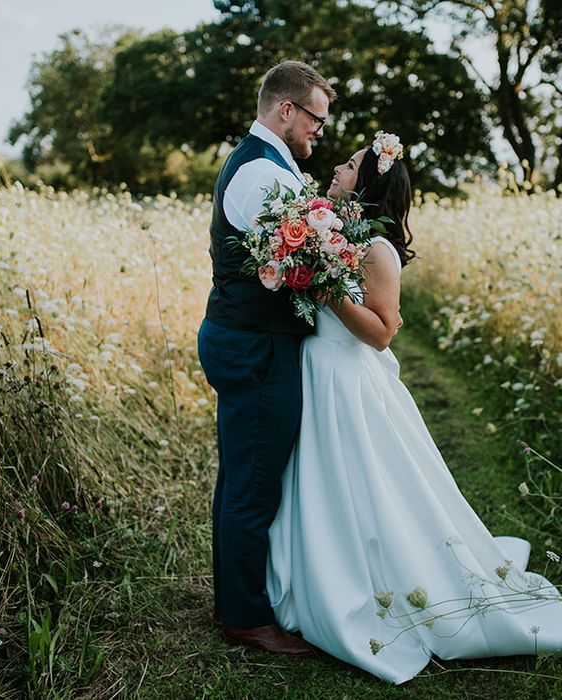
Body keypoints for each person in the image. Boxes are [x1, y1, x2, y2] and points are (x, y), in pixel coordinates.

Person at [266, 135, 562, 683]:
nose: (337, 166)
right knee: (320, 481)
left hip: (348, 379)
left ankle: (367, 582)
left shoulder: (376, 249)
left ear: (370, 181)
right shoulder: (330, 227)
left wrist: (328, 287)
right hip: (316, 370)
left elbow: (381, 334)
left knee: (364, 484)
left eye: (351, 164)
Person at [196, 60, 335, 655]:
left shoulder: (268, 165)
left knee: (242, 478)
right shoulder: (262, 174)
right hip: (255, 344)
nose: (319, 133)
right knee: (253, 485)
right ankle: (246, 617)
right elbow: (299, 269)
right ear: (286, 109)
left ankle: (237, 600)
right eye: (316, 120)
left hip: (248, 336)